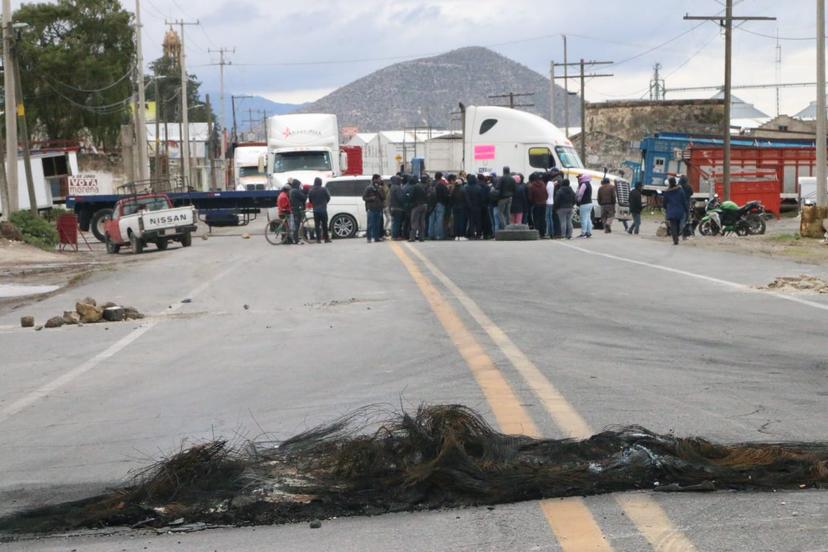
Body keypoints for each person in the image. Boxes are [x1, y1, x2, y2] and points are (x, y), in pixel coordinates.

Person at [662, 176, 688, 246]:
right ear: (675, 182)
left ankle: (675, 239)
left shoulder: (667, 192)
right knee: (678, 225)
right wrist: (686, 209)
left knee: (673, 225)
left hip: (671, 211)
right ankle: (677, 236)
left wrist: (665, 208)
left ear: (669, 183)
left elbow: (664, 202)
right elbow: (684, 201)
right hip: (679, 211)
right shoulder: (680, 190)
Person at [362, 174, 386, 243]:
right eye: (379, 179)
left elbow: (384, 197)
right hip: (371, 208)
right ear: (375, 179)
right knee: (370, 224)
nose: (380, 180)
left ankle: (376, 237)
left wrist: (380, 189)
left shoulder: (379, 187)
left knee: (377, 224)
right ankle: (369, 238)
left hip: (378, 208)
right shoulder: (369, 188)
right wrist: (371, 198)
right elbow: (364, 197)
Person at [307, 177, 331, 243]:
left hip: (315, 210)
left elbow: (310, 200)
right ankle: (326, 239)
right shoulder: (324, 189)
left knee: (317, 225)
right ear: (320, 182)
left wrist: (314, 204)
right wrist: (325, 203)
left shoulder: (311, 190)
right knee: (324, 225)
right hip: (323, 210)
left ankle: (318, 239)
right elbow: (328, 197)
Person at [428, 173, 449, 240]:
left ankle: (430, 234)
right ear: (441, 177)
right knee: (439, 220)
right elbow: (446, 195)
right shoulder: (442, 185)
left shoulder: (430, 185)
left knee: (431, 220)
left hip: (431, 204)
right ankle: (438, 235)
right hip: (440, 204)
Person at [408, 175, 428, 242]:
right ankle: (421, 237)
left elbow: (410, 197)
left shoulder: (414, 187)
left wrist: (409, 203)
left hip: (417, 206)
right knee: (422, 222)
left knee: (414, 221)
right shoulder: (424, 186)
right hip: (424, 205)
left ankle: (412, 237)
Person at [527, 172, 548, 237]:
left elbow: (530, 197)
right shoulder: (543, 184)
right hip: (544, 204)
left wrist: (532, 202)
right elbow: (547, 194)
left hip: (536, 204)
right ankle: (543, 232)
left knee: (536, 218)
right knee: (543, 218)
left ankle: (537, 232)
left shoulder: (531, 186)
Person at [288, 179, 307, 245]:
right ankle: (296, 240)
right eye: (299, 185)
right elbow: (304, 198)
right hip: (297, 209)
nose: (299, 186)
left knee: (296, 224)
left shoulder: (291, 190)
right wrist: (303, 192)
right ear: (297, 185)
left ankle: (295, 238)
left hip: (294, 208)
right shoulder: (296, 191)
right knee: (297, 225)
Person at [464, 174, 483, 239]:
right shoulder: (479, 188)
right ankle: (478, 234)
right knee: (478, 221)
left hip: (470, 208)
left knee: (471, 221)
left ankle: (471, 235)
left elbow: (466, 199)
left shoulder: (466, 188)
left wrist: (469, 206)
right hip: (478, 207)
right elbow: (481, 198)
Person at [449, 175, 467, 239]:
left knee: (456, 222)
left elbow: (451, 199)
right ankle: (461, 235)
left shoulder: (453, 190)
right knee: (461, 221)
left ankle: (456, 235)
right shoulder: (463, 190)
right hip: (462, 207)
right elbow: (466, 199)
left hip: (455, 207)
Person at [575, 174, 593, 238]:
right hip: (589, 203)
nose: (579, 179)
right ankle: (589, 232)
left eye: (580, 178)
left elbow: (580, 194)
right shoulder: (588, 184)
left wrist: (578, 200)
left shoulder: (583, 184)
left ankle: (583, 233)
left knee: (583, 219)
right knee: (588, 218)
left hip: (584, 203)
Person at [388, 176, 405, 240]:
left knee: (394, 222)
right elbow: (400, 198)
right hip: (398, 208)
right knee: (397, 223)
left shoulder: (392, 187)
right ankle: (395, 236)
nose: (400, 181)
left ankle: (394, 235)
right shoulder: (397, 188)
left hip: (392, 207)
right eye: (399, 180)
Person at [679, 175, 694, 239]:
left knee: (680, 219)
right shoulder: (689, 186)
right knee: (685, 219)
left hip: (679, 204)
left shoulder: (679, 187)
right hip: (686, 204)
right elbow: (691, 193)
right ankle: (684, 234)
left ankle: (679, 232)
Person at [544, 172, 556, 238]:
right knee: (550, 218)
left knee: (547, 218)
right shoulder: (552, 183)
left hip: (547, 202)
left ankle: (548, 232)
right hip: (552, 201)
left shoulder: (547, 184)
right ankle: (552, 232)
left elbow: (546, 193)